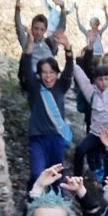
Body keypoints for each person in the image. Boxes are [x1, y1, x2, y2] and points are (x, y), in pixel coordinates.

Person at [21, 32, 74, 187]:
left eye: (52, 72)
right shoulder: (35, 87)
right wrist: (30, 45)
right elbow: (26, 68)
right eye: (44, 72)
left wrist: (68, 48)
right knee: (37, 173)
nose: (48, 76)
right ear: (39, 74)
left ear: (57, 74)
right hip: (37, 139)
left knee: (56, 177)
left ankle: (58, 200)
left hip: (57, 139)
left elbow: (69, 70)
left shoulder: (61, 86)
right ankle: (33, 198)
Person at [15, 0, 67, 77]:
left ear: (45, 30)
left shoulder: (49, 42)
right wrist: (17, 3)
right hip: (35, 78)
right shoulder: (27, 42)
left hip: (51, 77)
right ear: (32, 28)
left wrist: (62, 8)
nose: (38, 32)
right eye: (36, 28)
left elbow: (61, 28)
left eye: (42, 30)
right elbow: (18, 25)